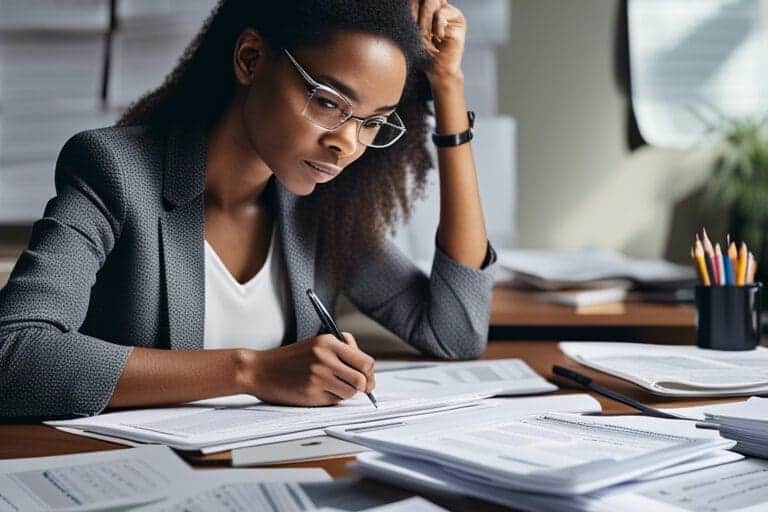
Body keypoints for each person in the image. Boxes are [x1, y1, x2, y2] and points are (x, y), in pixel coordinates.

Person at [0, 0, 495, 419]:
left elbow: (455, 331)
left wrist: (448, 86)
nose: (347, 143)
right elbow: (14, 355)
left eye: (372, 123)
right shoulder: (115, 171)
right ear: (251, 58)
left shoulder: (319, 209)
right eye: (328, 103)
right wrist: (251, 370)